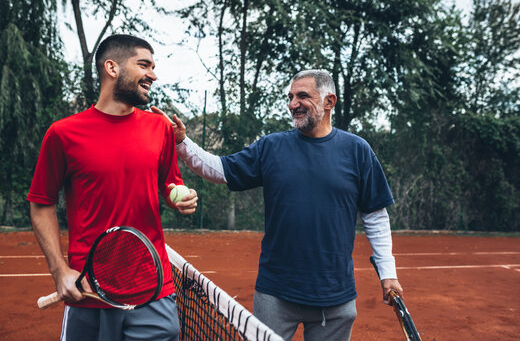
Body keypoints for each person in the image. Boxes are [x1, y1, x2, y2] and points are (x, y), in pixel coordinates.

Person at [152, 69, 402, 341]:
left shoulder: (358, 150)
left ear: (329, 101)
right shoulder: (272, 146)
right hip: (276, 293)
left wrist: (387, 274)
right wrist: (182, 142)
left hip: (335, 296)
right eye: (291, 97)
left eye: (302, 96)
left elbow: (375, 215)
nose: (293, 103)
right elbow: (219, 170)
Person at [27, 34, 198, 341]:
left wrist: (179, 197)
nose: (153, 75)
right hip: (88, 288)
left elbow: (171, 182)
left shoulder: (160, 128)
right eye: (144, 65)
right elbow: (41, 202)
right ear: (112, 68)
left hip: (153, 287)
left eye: (154, 67)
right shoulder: (63, 134)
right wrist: (59, 271)